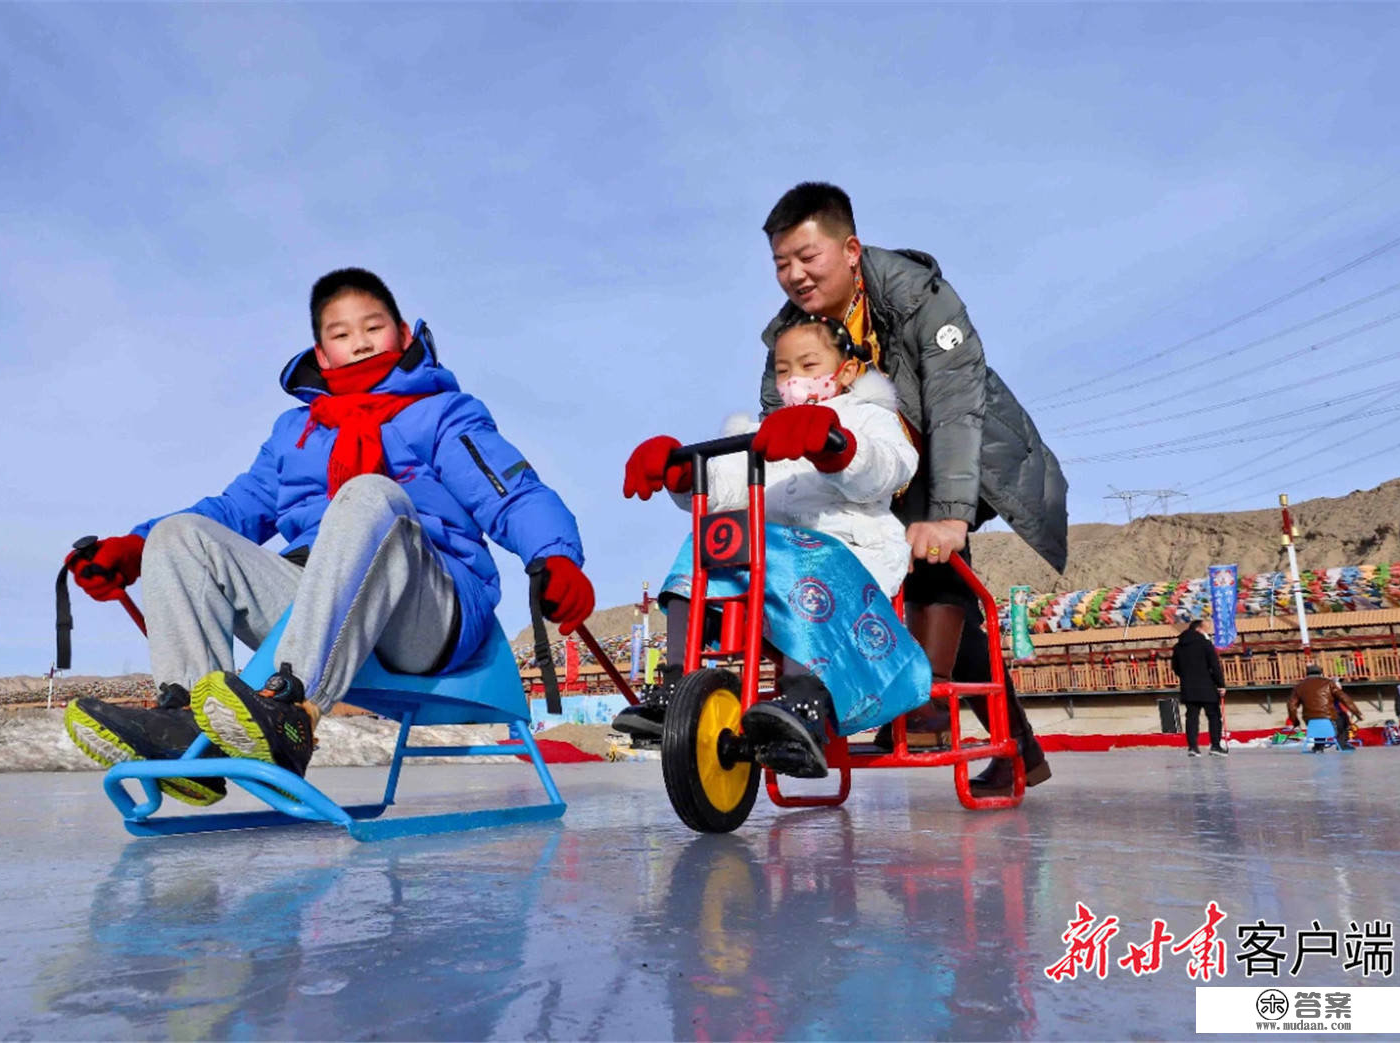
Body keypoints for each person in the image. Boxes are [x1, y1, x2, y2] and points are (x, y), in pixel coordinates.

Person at [62, 268, 594, 801]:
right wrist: (136, 547)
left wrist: (554, 555)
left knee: (369, 495)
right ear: (322, 354)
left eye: (373, 327)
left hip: (428, 608)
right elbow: (237, 508)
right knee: (180, 536)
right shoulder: (297, 433)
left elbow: (508, 488)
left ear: (403, 335)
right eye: (340, 335)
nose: (359, 343)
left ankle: (293, 713)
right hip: (322, 603)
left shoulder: (442, 414)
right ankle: (186, 731)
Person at [755, 182, 1067, 796]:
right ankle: (1022, 752)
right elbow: (777, 422)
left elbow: (953, 409)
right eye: (781, 263)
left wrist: (952, 514)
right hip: (856, 465)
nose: (794, 275)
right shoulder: (789, 333)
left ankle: (922, 706)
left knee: (932, 551)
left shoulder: (920, 298)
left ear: (850, 249)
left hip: (947, 449)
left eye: (807, 258)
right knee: (960, 624)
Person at [615, 313, 929, 777]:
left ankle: (807, 696)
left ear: (843, 371)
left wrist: (834, 445)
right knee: (703, 541)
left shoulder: (867, 416)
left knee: (804, 556)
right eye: (784, 370)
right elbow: (724, 485)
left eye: (808, 364)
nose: (794, 379)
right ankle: (676, 685)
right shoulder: (768, 431)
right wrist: (681, 474)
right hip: (772, 557)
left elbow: (892, 465)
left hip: (846, 553)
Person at [1171, 619, 1227, 756]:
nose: (1207, 632)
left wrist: (1186, 677)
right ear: (1199, 629)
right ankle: (1215, 745)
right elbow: (1214, 666)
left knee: (1192, 718)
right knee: (1213, 716)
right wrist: (1220, 684)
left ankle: (1193, 747)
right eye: (1206, 629)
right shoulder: (1205, 644)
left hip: (1188, 687)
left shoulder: (1178, 647)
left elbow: (1175, 667)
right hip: (1207, 686)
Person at [1287, 665, 1361, 752]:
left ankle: (1318, 746)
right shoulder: (1329, 683)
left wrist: (1295, 721)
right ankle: (1342, 744)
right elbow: (1345, 699)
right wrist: (1357, 713)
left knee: (1316, 720)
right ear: (1321, 673)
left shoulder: (1299, 686)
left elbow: (1291, 706)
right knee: (1343, 718)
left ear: (1306, 674)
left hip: (1310, 719)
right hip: (1329, 717)